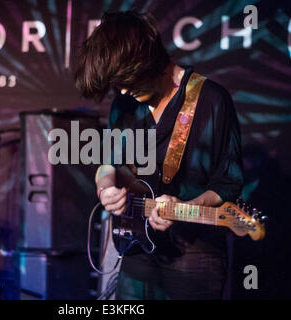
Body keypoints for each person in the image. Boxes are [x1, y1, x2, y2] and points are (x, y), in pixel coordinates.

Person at [74, 11, 244, 299]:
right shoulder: (124, 105)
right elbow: (107, 164)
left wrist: (184, 207)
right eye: (119, 85)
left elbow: (227, 183)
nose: (125, 90)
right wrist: (106, 189)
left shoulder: (211, 100)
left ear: (149, 59)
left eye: (130, 80)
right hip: (136, 246)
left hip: (192, 253)